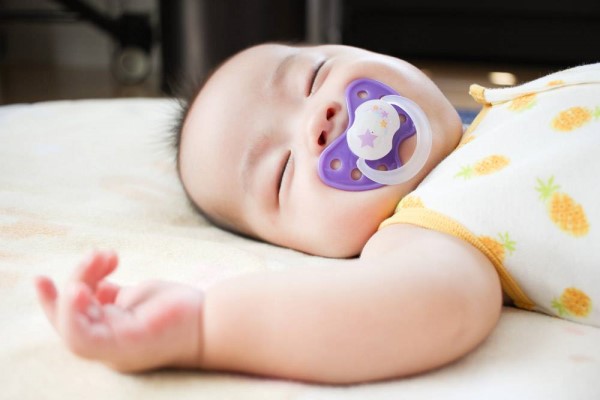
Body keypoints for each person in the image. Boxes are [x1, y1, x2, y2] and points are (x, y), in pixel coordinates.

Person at [34, 43, 599, 384]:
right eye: (282, 172)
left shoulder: (502, 113)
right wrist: (203, 328)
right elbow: (414, 309)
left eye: (312, 77)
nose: (316, 121)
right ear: (303, 249)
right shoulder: (433, 227)